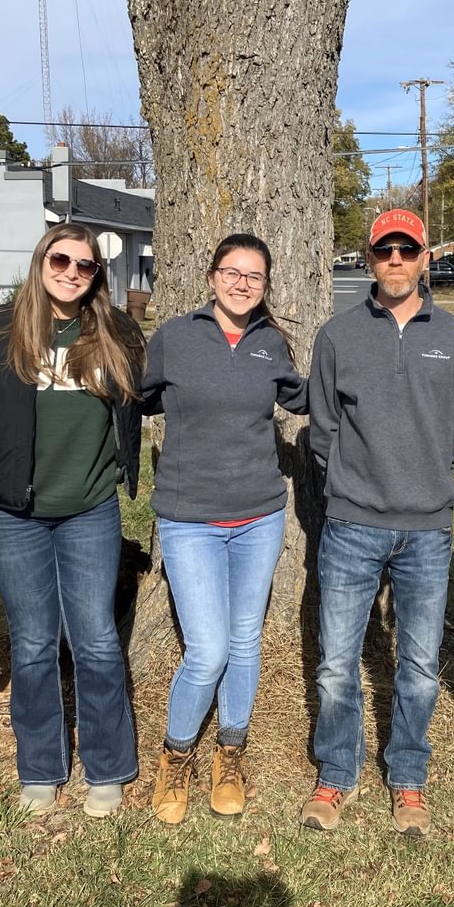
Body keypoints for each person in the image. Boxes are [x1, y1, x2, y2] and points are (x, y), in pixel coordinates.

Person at [301, 209, 454, 837]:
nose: (396, 260)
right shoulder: (338, 336)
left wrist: (417, 474)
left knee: (420, 665)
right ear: (370, 259)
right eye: (385, 251)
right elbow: (321, 430)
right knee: (337, 664)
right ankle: (336, 774)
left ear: (426, 257)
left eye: (408, 249)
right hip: (351, 523)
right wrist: (355, 480)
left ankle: (408, 778)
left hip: (428, 528)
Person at [0, 223, 145, 819]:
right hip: (12, 515)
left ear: (97, 274)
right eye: (61, 259)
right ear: (40, 261)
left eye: (85, 265)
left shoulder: (116, 332)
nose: (72, 272)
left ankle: (108, 765)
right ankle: (41, 767)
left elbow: (146, 401)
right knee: (32, 642)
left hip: (89, 510)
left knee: (96, 639)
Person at [142, 234, 307, 825]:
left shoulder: (271, 344)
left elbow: (303, 396)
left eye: (255, 276)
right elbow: (134, 397)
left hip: (260, 516)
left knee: (243, 643)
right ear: (212, 277)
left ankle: (230, 753)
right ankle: (175, 755)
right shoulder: (176, 338)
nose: (242, 283)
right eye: (232, 272)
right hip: (191, 521)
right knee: (207, 650)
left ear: (266, 286)